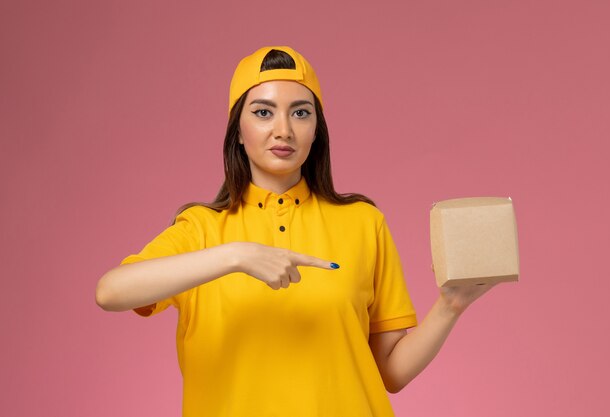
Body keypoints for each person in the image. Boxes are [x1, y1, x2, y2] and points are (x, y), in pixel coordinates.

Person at [95, 46, 495, 417]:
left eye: (300, 113)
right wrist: (235, 256)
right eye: (263, 112)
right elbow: (111, 291)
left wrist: (451, 306)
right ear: (237, 129)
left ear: (317, 129)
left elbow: (391, 373)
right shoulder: (201, 228)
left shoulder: (362, 222)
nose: (283, 129)